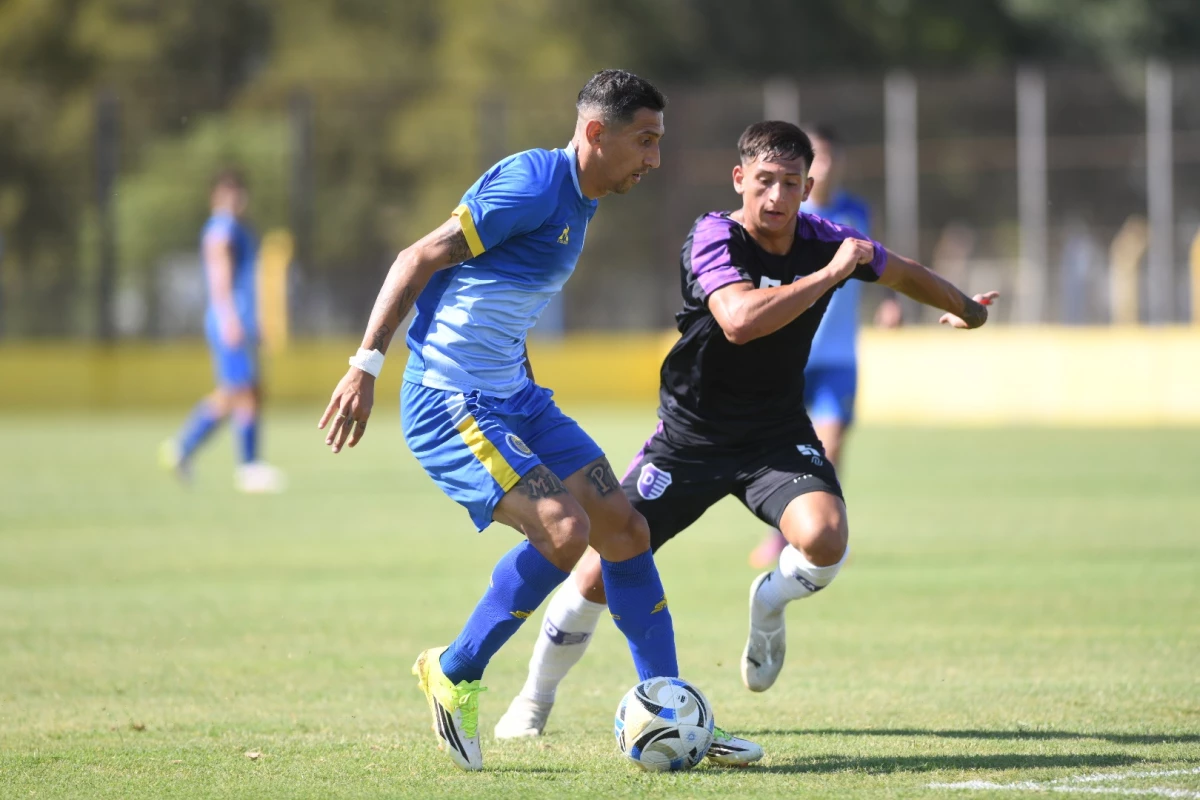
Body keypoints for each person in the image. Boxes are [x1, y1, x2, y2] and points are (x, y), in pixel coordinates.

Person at [493, 121, 997, 742]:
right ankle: (533, 700)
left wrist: (967, 308)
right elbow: (737, 321)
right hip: (689, 438)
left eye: (792, 183)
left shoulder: (826, 239)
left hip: (774, 434)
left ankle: (769, 602)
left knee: (826, 538)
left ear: (810, 186)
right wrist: (831, 276)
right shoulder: (713, 235)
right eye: (765, 182)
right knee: (598, 571)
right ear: (740, 180)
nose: (778, 197)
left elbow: (898, 270)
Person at [316, 70, 759, 772]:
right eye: (644, 142)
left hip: (516, 397)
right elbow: (418, 257)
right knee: (564, 530)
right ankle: (454, 670)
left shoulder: (583, 201)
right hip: (451, 401)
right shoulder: (531, 183)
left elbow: (497, 301)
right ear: (595, 134)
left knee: (626, 526)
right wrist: (365, 367)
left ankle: (673, 710)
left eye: (658, 143)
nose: (654, 159)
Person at [748, 124, 900, 569]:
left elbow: (883, 264)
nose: (827, 165)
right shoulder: (785, 215)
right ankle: (784, 530)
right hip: (788, 358)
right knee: (780, 448)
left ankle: (822, 532)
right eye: (820, 157)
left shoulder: (856, 212)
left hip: (838, 359)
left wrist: (889, 302)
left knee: (829, 448)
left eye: (832, 157)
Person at [160, 169, 284, 493]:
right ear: (216, 196)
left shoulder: (237, 227)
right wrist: (229, 316)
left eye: (241, 192)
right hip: (231, 321)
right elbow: (220, 274)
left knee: (239, 392)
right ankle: (249, 468)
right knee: (243, 392)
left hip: (240, 319)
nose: (239, 199)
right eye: (231, 193)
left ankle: (182, 449)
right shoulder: (222, 228)